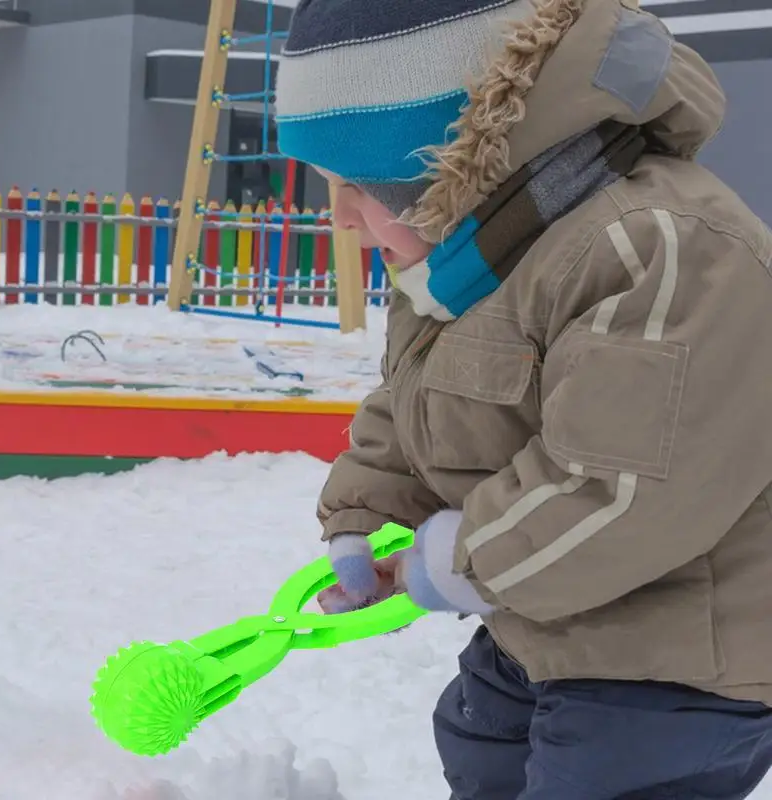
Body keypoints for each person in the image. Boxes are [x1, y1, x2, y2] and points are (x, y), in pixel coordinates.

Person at [274, 0, 772, 797]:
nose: (341, 220)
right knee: (477, 745)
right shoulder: (469, 260)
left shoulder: (661, 248)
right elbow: (416, 398)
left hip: (672, 663)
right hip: (540, 618)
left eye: (362, 187)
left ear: (453, 160)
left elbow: (626, 491)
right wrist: (368, 511)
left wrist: (455, 559)